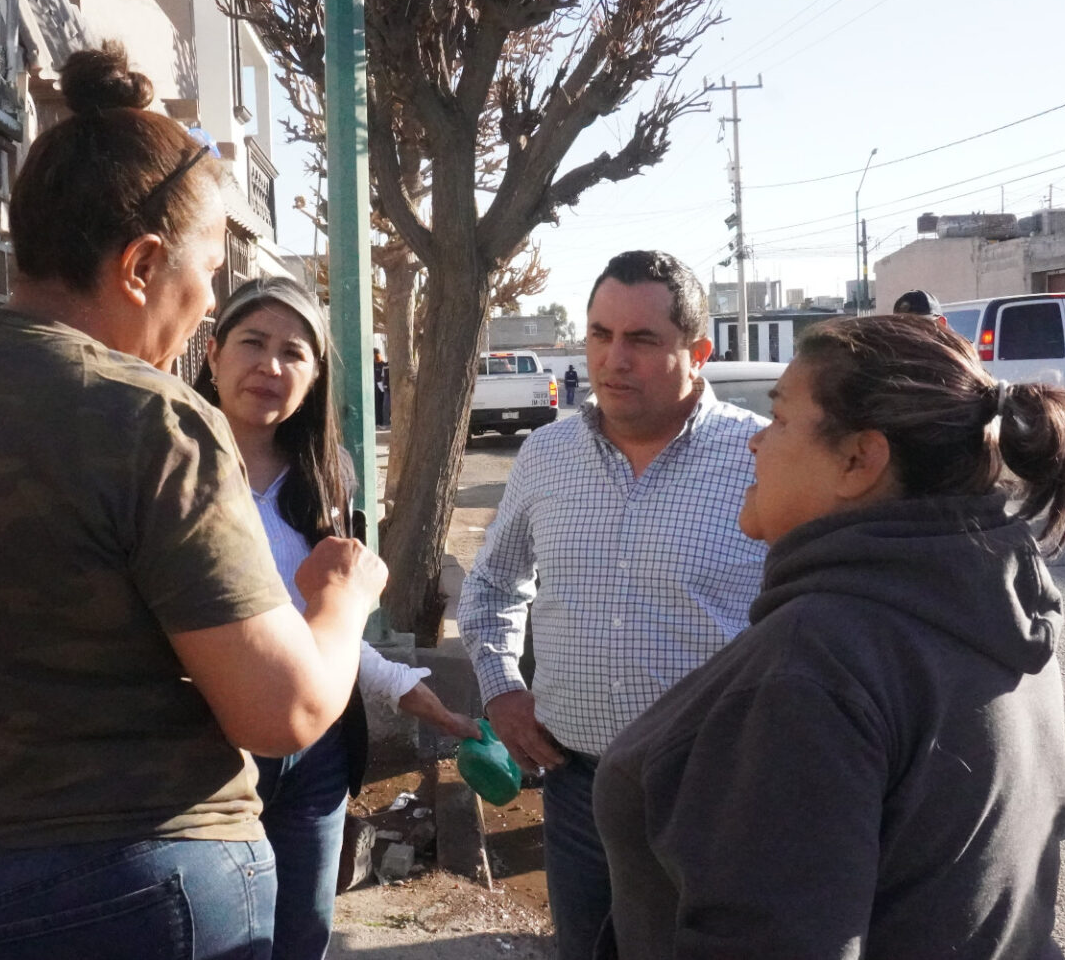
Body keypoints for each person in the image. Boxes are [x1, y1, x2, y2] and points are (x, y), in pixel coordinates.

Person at [0, 43, 385, 960]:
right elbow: (279, 712)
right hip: (129, 888)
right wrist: (342, 601)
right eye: (206, 276)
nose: (206, 306)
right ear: (141, 263)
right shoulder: (151, 418)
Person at [594, 314, 1065, 960]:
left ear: (857, 459)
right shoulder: (990, 602)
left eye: (781, 418)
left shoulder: (813, 663)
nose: (755, 442)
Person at [458, 250, 768, 960]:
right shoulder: (546, 454)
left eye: (642, 340)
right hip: (578, 793)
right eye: (600, 334)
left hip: (715, 796)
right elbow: (494, 583)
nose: (613, 358)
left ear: (697, 352)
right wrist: (502, 686)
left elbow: (805, 621)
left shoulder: (758, 458)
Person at [194, 277, 478, 959]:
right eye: (252, 344)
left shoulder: (329, 474)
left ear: (315, 373)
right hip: (207, 749)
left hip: (316, 755)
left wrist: (399, 683)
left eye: (294, 352)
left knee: (300, 934)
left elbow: (324, 618)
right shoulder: (172, 467)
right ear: (212, 352)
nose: (271, 366)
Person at [372, 348, 390, 427]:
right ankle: (377, 422)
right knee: (377, 405)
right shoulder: (372, 364)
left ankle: (383, 421)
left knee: (383, 405)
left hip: (382, 388)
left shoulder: (383, 364)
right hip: (375, 388)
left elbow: (383, 376)